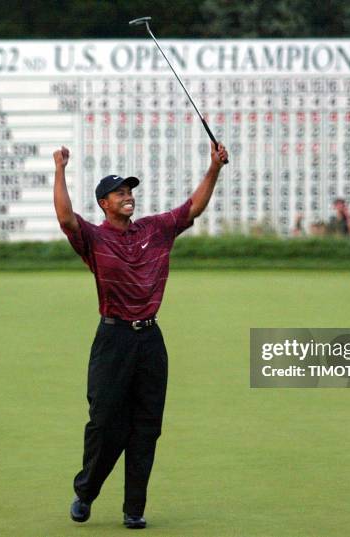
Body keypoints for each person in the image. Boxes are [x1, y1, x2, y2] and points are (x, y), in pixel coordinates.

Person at [53, 141, 228, 529]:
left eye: (130, 191)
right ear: (104, 203)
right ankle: (86, 492)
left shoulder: (156, 229)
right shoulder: (94, 239)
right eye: (120, 193)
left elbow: (192, 208)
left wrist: (214, 167)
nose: (128, 197)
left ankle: (134, 509)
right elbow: (66, 218)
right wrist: (61, 168)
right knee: (104, 424)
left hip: (150, 340)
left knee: (147, 426)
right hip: (113, 340)